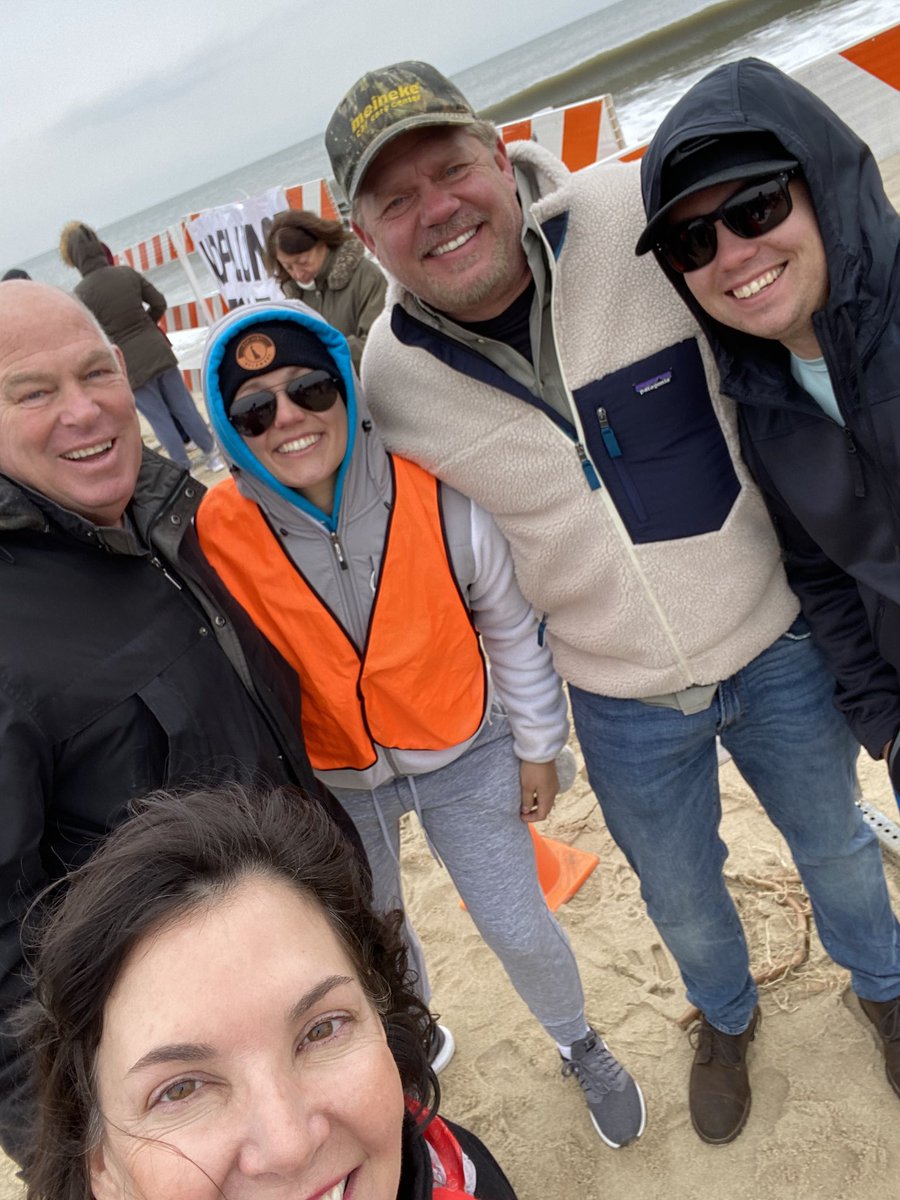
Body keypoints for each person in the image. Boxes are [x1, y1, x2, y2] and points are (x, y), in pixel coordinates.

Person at [323, 60, 900, 1145]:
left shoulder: (636, 215)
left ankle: (884, 986)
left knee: (834, 846)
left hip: (775, 636)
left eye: (450, 169)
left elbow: (795, 302)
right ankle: (725, 1017)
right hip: (617, 696)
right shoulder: (387, 381)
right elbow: (355, 521)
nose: (436, 209)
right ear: (363, 236)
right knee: (679, 894)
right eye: (395, 199)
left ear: (500, 152)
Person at [194, 300, 646, 1149]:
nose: (288, 418)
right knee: (373, 939)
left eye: (310, 389)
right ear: (230, 429)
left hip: (463, 745)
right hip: (333, 777)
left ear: (346, 387)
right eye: (254, 409)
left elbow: (508, 623)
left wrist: (539, 747)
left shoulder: (433, 487)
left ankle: (578, 1042)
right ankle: (413, 1043)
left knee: (518, 924)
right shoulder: (217, 530)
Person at [0, 281, 353, 1166]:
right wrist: (75, 1158)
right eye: (34, 392)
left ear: (128, 373)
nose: (82, 410)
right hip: (199, 1076)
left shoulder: (177, 510)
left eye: (94, 374)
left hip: (316, 955)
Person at [636, 55, 900, 1098]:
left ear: (819, 184)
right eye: (694, 241)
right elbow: (823, 575)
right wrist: (884, 721)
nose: (734, 255)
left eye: (754, 208)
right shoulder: (763, 395)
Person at [20, 783, 519, 1200]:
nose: (290, 1146)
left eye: (322, 1030)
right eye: (181, 1089)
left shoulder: (461, 1170)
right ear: (99, 1162)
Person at [59, 221, 225, 472]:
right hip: (156, 348)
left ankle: (183, 466)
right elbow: (159, 302)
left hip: (128, 363)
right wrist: (147, 324)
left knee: (158, 418)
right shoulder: (126, 273)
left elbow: (87, 337)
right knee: (183, 405)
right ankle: (212, 453)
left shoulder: (81, 294)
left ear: (74, 258)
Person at [264, 209, 387, 369]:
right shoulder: (294, 295)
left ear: (323, 244)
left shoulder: (368, 277)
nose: (298, 274)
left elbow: (380, 345)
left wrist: (317, 353)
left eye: (303, 262)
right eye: (288, 267)